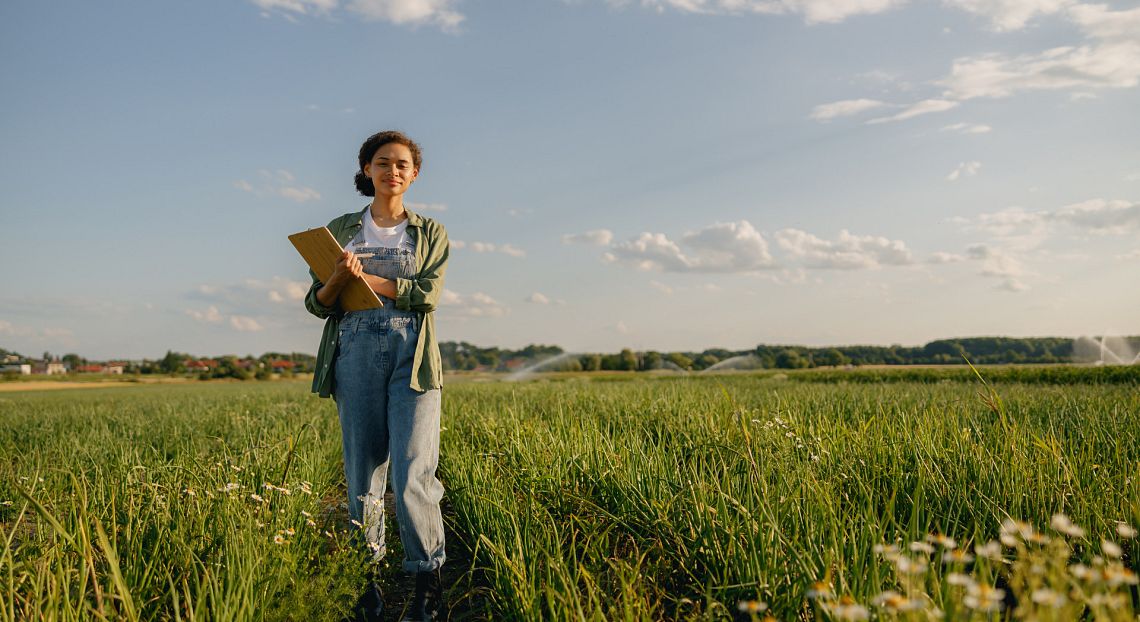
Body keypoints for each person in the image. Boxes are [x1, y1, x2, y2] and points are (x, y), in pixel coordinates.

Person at [303, 130, 450, 622]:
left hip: (413, 359)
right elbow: (317, 303)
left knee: (414, 472)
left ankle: (424, 582)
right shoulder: (341, 227)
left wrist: (362, 278)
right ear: (367, 169)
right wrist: (338, 280)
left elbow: (426, 295)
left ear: (414, 174)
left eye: (403, 164)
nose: (393, 171)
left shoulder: (430, 232)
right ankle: (366, 582)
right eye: (383, 162)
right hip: (355, 353)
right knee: (362, 471)